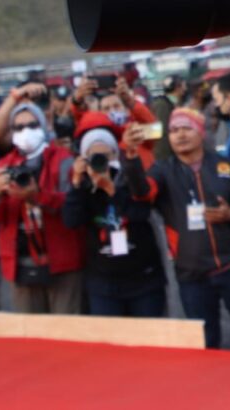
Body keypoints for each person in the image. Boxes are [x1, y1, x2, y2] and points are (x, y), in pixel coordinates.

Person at [120, 107, 230, 352]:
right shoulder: (162, 170)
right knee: (204, 342)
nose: (179, 135)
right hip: (192, 274)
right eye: (173, 130)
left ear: (201, 133)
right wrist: (129, 156)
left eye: (186, 128)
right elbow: (142, 193)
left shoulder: (226, 166)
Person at [0, 103, 84, 314]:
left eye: (32, 125)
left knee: (66, 333)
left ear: (42, 126)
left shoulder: (64, 160)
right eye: (18, 127)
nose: (25, 131)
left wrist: (37, 196)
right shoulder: (3, 165)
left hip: (62, 262)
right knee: (29, 337)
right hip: (20, 264)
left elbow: (72, 208)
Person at [63, 126, 166, 317]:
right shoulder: (83, 187)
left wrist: (111, 189)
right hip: (103, 282)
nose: (100, 162)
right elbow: (71, 221)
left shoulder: (129, 177)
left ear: (115, 156)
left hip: (143, 278)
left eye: (106, 156)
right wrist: (76, 183)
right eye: (94, 156)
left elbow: (140, 213)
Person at [151, 75, 187, 161]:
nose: (185, 89)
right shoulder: (162, 105)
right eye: (183, 86)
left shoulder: (172, 104)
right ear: (178, 88)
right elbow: (161, 133)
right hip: (165, 155)